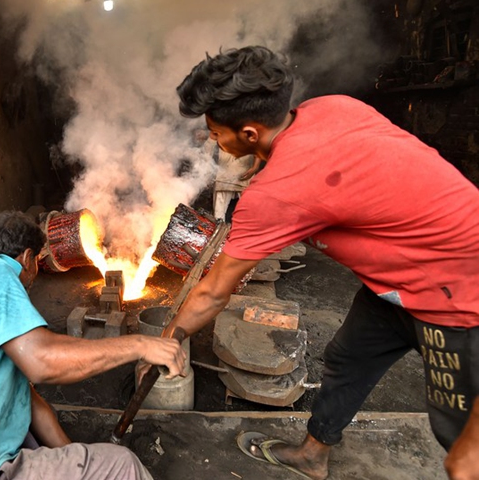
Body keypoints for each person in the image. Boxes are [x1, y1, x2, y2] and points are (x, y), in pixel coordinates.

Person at [163, 46, 479, 480]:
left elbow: (214, 291)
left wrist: (166, 339)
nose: (213, 140)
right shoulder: (332, 107)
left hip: (457, 295)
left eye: (217, 133)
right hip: (395, 281)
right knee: (347, 358)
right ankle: (313, 455)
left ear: (251, 132)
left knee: (462, 447)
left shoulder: (277, 194)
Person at [0, 211, 187, 480]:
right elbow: (42, 362)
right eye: (38, 264)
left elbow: (30, 402)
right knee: (122, 464)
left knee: (34, 438)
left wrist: (75, 458)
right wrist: (138, 345)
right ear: (27, 259)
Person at [205, 138, 259, 222]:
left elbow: (258, 146)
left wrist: (255, 167)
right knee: (219, 218)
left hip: (243, 177)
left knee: (247, 216)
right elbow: (210, 144)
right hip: (225, 178)